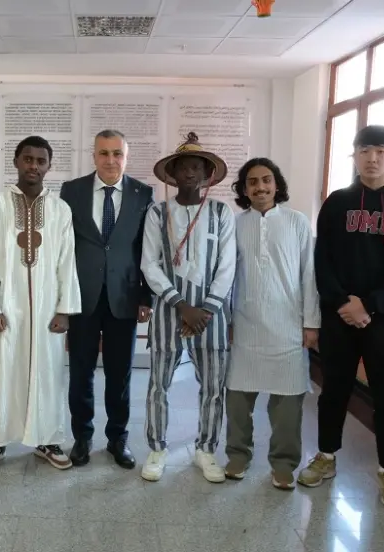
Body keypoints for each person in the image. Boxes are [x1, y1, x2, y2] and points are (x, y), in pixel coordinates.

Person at [300, 125, 384, 511]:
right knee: (334, 391)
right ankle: (326, 455)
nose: (372, 158)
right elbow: (322, 260)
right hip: (340, 317)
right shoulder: (337, 203)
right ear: (354, 155)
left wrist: (370, 305)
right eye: (365, 150)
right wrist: (343, 303)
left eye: (381, 151)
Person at [0, 136, 82, 474]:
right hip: (5, 308)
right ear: (16, 161)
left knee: (48, 375)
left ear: (49, 166)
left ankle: (47, 439)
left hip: (48, 311)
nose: (34, 166)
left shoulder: (61, 210)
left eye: (41, 161)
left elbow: (67, 261)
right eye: (28, 159)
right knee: (0, 375)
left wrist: (64, 309)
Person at [139, 132, 236, 483]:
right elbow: (149, 264)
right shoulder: (157, 212)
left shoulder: (221, 212)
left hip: (211, 316)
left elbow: (227, 266)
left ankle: (205, 449)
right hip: (170, 312)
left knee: (213, 387)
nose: (190, 172)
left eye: (197, 167)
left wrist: (204, 311)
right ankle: (157, 449)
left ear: (208, 174)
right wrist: (182, 306)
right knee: (158, 385)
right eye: (184, 167)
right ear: (173, 173)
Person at [224, 158, 320, 490]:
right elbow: (226, 276)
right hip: (245, 324)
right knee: (238, 400)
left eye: (266, 180)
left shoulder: (297, 222)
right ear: (244, 189)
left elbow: (309, 275)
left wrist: (311, 323)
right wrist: (227, 320)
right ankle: (238, 456)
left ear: (277, 184)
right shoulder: (235, 224)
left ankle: (283, 464)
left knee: (288, 404)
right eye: (252, 182)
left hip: (287, 327)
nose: (260, 187)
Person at [60, 129, 154, 469]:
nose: (111, 160)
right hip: (82, 296)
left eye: (117, 153)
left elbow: (147, 248)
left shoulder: (143, 193)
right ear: (94, 155)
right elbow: (63, 245)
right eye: (104, 153)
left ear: (126, 157)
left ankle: (117, 438)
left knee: (120, 374)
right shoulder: (72, 191)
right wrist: (61, 296)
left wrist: (145, 295)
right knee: (80, 371)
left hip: (124, 296)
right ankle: (82, 437)